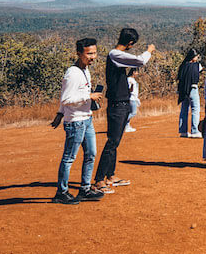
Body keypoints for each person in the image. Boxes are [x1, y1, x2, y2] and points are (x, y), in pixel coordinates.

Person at [92, 28, 155, 193]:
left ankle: (110, 176)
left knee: (115, 142)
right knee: (112, 142)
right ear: (130, 43)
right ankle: (99, 180)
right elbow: (140, 61)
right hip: (117, 104)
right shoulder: (115, 55)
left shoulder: (117, 56)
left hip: (122, 102)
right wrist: (149, 50)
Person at [53, 38, 106, 205]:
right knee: (69, 157)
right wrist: (89, 96)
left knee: (91, 154)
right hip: (75, 121)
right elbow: (66, 98)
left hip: (86, 118)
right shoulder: (73, 73)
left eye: (94, 53)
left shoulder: (85, 70)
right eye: (89, 53)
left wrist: (60, 114)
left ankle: (84, 188)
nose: (92, 56)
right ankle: (61, 192)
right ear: (79, 53)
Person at [176, 48, 203, 138]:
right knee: (195, 109)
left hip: (184, 90)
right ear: (193, 57)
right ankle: (195, 131)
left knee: (184, 110)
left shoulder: (183, 66)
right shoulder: (196, 65)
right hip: (193, 89)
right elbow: (200, 71)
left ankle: (183, 131)